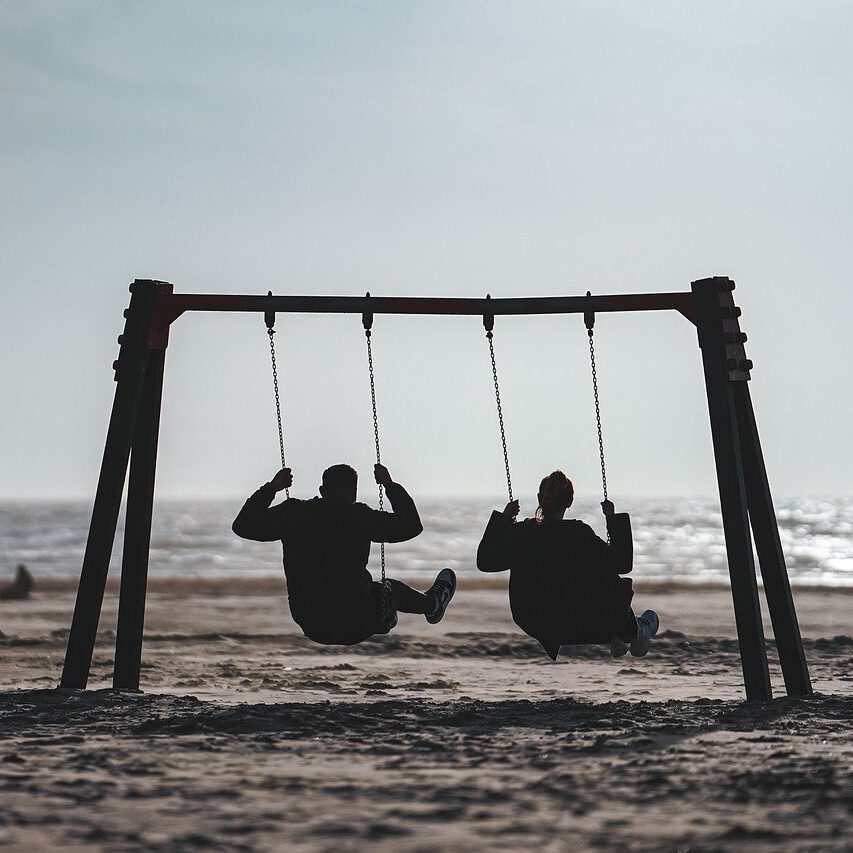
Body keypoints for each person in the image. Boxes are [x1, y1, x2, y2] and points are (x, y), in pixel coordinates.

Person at [232, 462, 456, 645]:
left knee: (375, 591)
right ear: (354, 493)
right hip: (357, 622)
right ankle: (433, 605)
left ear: (321, 491)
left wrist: (271, 488)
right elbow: (411, 526)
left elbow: (243, 525)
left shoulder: (293, 513)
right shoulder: (359, 516)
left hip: (311, 622)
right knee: (389, 588)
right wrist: (389, 485)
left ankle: (403, 607)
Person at [477, 470, 659, 661]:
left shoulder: (522, 534)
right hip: (589, 620)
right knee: (605, 574)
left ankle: (626, 632)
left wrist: (504, 518)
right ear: (570, 502)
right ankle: (632, 630)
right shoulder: (579, 534)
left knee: (592, 572)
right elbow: (622, 564)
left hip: (535, 620)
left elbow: (485, 562)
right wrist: (612, 518)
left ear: (540, 498)